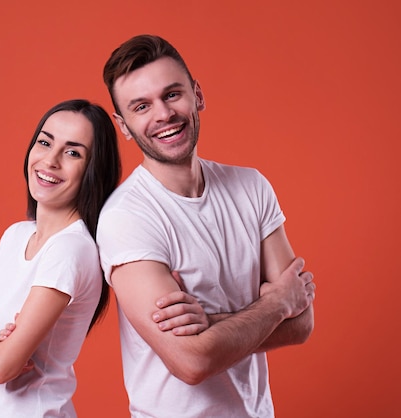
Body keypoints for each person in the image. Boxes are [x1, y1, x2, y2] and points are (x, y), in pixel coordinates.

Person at [96, 34, 316, 417]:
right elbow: (191, 362)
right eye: (141, 106)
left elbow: (302, 323)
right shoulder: (126, 218)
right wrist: (277, 302)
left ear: (197, 95)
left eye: (172, 94)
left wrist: (211, 324)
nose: (163, 114)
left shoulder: (252, 187)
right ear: (124, 126)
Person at [0, 99, 202, 417]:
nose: (50, 161)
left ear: (93, 170)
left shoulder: (71, 249)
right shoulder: (15, 236)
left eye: (72, 153)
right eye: (44, 142)